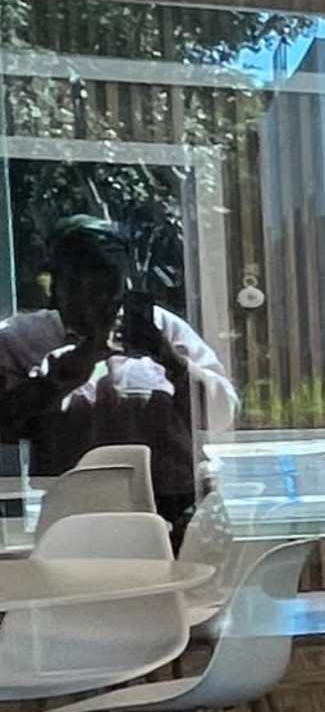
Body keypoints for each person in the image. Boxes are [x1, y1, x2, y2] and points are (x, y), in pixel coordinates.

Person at [0, 215, 237, 533]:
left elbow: (223, 415)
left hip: (177, 507)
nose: (95, 299)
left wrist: (172, 361)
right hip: (74, 515)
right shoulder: (21, 339)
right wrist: (62, 375)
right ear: (55, 287)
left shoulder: (162, 328)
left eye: (107, 283)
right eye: (79, 284)